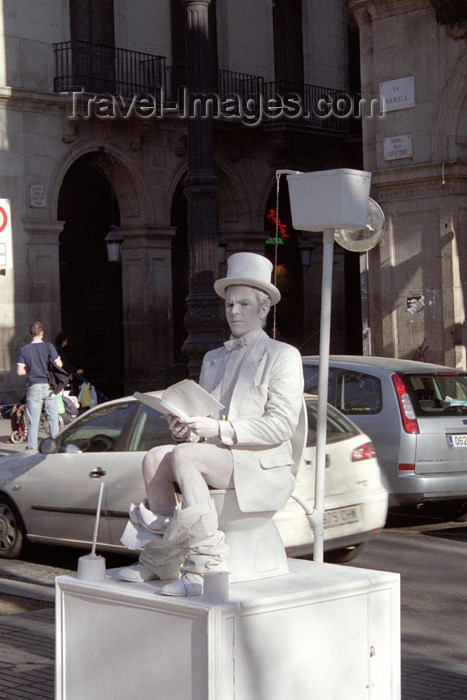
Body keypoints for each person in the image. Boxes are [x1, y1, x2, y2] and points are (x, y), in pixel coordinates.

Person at [118, 252, 304, 596]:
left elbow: (280, 426)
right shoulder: (213, 358)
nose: (234, 311)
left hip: (261, 463)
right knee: (156, 457)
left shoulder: (283, 355)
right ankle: (163, 559)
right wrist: (187, 427)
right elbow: (208, 416)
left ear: (263, 310)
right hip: (220, 458)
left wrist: (215, 430)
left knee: (185, 457)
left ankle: (207, 564)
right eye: (229, 304)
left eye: (244, 304)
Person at [17, 321, 64, 451]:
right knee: (53, 418)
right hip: (49, 386)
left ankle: (31, 448)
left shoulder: (24, 350)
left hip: (33, 387)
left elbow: (20, 371)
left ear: (30, 333)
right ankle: (53, 447)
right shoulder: (49, 347)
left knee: (33, 420)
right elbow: (59, 364)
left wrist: (30, 369)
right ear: (42, 334)